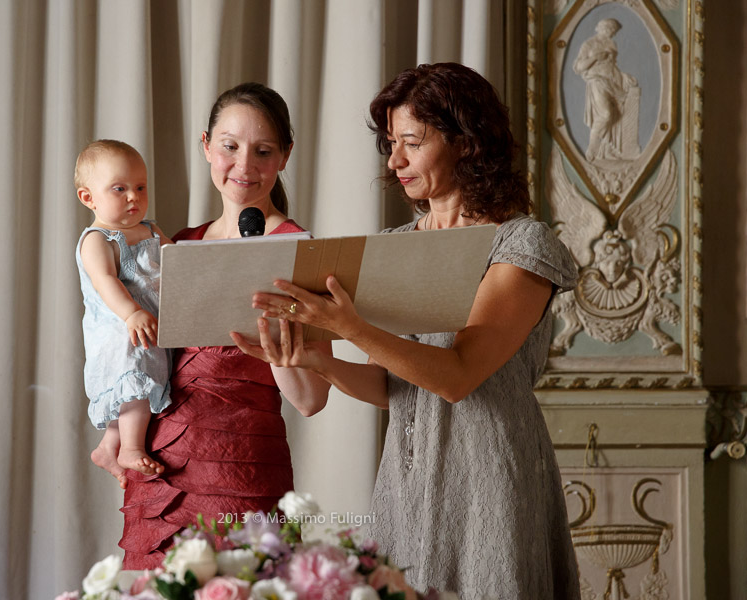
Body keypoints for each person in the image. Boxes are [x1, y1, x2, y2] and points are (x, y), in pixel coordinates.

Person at [232, 63, 582, 599]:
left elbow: (457, 377)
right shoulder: (395, 245)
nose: (395, 161)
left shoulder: (521, 245)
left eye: (412, 142)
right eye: (391, 144)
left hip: (489, 484)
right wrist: (316, 359)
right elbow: (392, 387)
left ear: (466, 141)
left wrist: (345, 325)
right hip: (404, 484)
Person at [119, 83, 332, 569]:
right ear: (206, 146)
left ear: (284, 157)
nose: (244, 166)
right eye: (229, 147)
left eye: (263, 151)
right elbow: (145, 354)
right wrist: (119, 433)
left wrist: (271, 333)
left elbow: (312, 398)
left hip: (244, 467)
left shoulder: (302, 248)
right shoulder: (179, 244)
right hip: (160, 470)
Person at [75, 139, 173, 489]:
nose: (133, 196)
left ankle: (107, 447)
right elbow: (105, 281)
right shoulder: (97, 240)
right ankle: (131, 448)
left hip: (149, 324)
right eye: (120, 188)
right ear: (89, 198)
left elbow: (176, 262)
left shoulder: (151, 229)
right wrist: (131, 313)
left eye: (140, 187)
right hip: (118, 327)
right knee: (134, 379)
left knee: (138, 380)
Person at [573, 18, 640, 161]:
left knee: (616, 116)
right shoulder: (589, 44)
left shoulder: (612, 44)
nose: (612, 32)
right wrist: (595, 58)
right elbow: (578, 67)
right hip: (596, 81)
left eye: (613, 30)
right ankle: (592, 148)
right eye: (609, 29)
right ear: (600, 28)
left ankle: (606, 150)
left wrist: (623, 75)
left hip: (613, 82)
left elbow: (611, 66)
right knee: (605, 114)